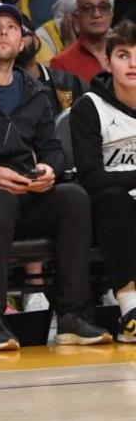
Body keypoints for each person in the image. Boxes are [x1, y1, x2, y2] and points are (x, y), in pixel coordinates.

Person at [0, 2, 112, 349]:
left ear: (22, 43)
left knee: (72, 197)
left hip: (25, 193)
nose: (4, 32)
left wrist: (50, 168)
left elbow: (52, 149)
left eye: (12, 28)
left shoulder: (34, 91)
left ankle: (72, 316)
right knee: (0, 201)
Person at [71, 20, 136, 344]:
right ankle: (130, 309)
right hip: (110, 206)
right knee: (113, 197)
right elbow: (91, 177)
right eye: (124, 55)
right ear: (108, 62)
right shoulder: (90, 106)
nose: (133, 63)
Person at [51, 0, 113, 81]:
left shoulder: (126, 54)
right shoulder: (62, 63)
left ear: (111, 15)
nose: (97, 14)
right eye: (87, 9)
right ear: (76, 18)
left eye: (103, 8)